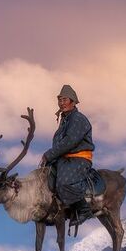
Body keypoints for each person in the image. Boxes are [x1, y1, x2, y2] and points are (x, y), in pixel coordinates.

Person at [39, 84, 95, 228]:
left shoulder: (78, 119)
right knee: (44, 177)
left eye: (65, 100)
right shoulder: (65, 120)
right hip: (64, 158)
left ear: (73, 101)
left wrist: (49, 155)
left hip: (78, 158)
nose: (62, 103)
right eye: (60, 100)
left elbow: (69, 141)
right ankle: (56, 211)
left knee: (63, 183)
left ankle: (84, 209)